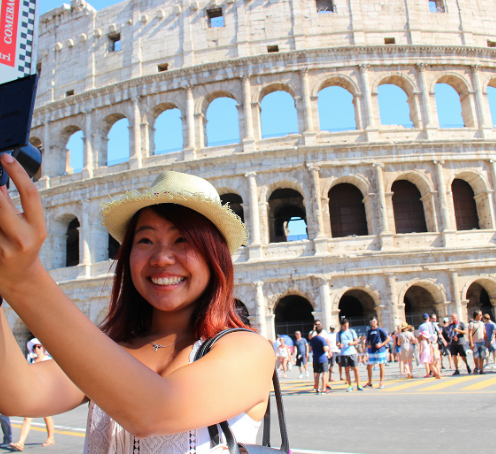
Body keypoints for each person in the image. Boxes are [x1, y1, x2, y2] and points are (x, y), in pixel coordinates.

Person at [0, 163, 275, 453]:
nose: (162, 258)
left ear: (213, 257)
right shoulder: (112, 348)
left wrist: (24, 280)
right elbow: (18, 393)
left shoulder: (250, 351)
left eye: (182, 239)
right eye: (145, 240)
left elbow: (153, 411)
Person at [10, 339, 56, 451]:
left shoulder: (48, 360)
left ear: (43, 348)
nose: (37, 349)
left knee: (46, 415)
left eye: (39, 346)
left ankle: (50, 437)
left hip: (46, 391)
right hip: (34, 391)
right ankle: (21, 443)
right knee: (29, 416)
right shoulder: (31, 359)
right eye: (35, 347)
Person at [336, 319, 363, 392]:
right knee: (346, 370)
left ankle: (358, 384)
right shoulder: (339, 333)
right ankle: (350, 385)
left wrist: (352, 343)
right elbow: (337, 343)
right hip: (344, 353)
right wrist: (339, 345)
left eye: (347, 325)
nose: (347, 327)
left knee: (356, 368)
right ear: (342, 325)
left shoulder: (352, 331)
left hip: (352, 352)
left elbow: (356, 341)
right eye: (345, 326)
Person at [365, 316, 390, 389]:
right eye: (371, 322)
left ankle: (381, 382)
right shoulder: (369, 331)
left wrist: (381, 345)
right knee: (369, 366)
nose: (372, 323)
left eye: (373, 321)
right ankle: (369, 382)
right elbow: (367, 341)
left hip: (380, 350)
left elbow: (388, 339)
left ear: (377, 322)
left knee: (381, 365)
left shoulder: (380, 330)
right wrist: (368, 345)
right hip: (372, 351)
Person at [309, 325, 330, 394]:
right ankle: (323, 388)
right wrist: (327, 349)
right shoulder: (322, 339)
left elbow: (311, 348)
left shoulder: (313, 339)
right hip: (323, 358)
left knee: (317, 374)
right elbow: (325, 349)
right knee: (324, 373)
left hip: (315, 358)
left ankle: (317, 388)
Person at [468, 310, 488, 375]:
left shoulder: (482, 324)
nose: (481, 316)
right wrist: (471, 343)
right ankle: (476, 367)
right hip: (475, 342)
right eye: (480, 315)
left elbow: (484, 333)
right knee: (476, 356)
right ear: (477, 316)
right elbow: (470, 334)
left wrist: (486, 341)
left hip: (482, 342)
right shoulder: (472, 324)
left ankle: (481, 369)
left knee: (482, 356)